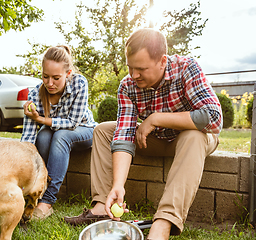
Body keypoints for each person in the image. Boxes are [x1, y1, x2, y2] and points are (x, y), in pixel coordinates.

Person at [63, 28, 222, 240]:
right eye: (130, 67)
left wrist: (156, 119)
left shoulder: (187, 68)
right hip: (154, 140)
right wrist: (118, 185)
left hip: (191, 140)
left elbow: (213, 118)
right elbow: (124, 134)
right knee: (103, 131)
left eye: (141, 69)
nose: (133, 75)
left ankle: (164, 223)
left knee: (193, 136)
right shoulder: (128, 86)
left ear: (162, 61)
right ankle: (102, 207)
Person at [21, 45, 97, 219]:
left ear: (68, 73)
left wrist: (41, 120)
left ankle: (47, 202)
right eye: (45, 77)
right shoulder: (36, 95)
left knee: (60, 135)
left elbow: (72, 123)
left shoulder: (79, 83)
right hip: (56, 134)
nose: (49, 83)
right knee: (43, 135)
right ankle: (36, 191)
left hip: (84, 129)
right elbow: (27, 139)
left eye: (56, 78)